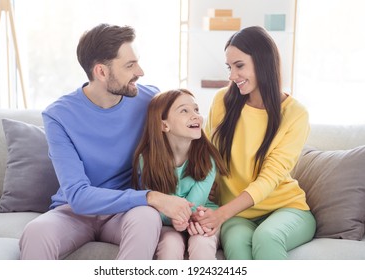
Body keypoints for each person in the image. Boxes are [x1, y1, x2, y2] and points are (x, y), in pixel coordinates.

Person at [19, 23, 193, 260]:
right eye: (130, 65)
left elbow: (188, 135)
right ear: (101, 72)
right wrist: (152, 196)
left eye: (137, 62)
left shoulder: (150, 100)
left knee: (147, 218)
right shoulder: (58, 115)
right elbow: (78, 196)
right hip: (74, 213)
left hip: (127, 212)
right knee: (36, 231)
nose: (140, 71)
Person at [192, 26, 316, 260]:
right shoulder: (222, 101)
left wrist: (222, 215)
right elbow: (205, 154)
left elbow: (270, 177)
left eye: (239, 66)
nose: (231, 76)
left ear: (263, 62)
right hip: (238, 216)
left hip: (286, 208)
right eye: (229, 67)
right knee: (237, 246)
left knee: (267, 237)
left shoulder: (295, 114)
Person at [132, 89, 228, 259]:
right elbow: (156, 204)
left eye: (196, 110)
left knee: (201, 242)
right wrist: (176, 218)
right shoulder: (146, 160)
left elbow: (194, 204)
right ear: (164, 125)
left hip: (202, 217)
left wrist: (190, 218)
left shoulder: (207, 159)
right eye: (184, 110)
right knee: (170, 245)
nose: (196, 115)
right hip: (168, 222)